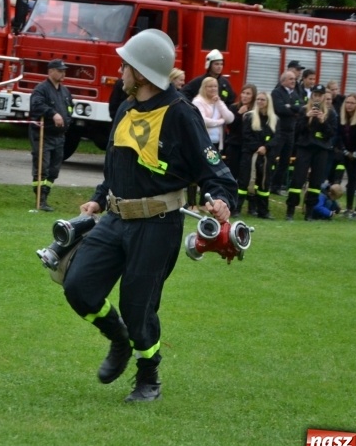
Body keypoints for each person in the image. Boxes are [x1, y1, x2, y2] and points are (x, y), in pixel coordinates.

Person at [62, 29, 237, 403]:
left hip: (158, 225)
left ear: (140, 73)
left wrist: (221, 200)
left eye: (126, 64)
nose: (120, 70)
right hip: (114, 219)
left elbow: (215, 170)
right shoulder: (126, 108)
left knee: (139, 305)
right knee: (78, 286)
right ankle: (118, 338)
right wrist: (97, 199)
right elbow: (116, 164)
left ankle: (148, 376)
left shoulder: (181, 115)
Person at [29, 58, 74, 212]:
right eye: (60, 71)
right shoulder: (41, 89)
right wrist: (53, 113)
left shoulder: (65, 91)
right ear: (50, 71)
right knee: (42, 168)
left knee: (54, 170)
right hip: (43, 135)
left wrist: (67, 120)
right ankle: (40, 199)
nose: (63, 74)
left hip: (59, 136)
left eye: (64, 71)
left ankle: (46, 195)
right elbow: (36, 105)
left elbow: (70, 108)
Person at [285, 84, 334, 220]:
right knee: (297, 180)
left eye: (320, 95)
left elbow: (331, 134)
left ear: (324, 97)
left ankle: (309, 212)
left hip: (321, 150)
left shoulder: (330, 113)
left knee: (316, 182)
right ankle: (290, 211)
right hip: (305, 148)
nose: (317, 98)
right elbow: (298, 130)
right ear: (311, 96)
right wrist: (307, 117)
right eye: (315, 95)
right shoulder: (303, 110)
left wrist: (323, 121)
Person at [236, 91, 278, 219]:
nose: (259, 102)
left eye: (262, 100)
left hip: (266, 157)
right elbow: (246, 135)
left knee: (264, 184)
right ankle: (236, 209)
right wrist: (257, 147)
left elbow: (277, 137)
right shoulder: (249, 117)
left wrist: (266, 147)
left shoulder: (274, 120)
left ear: (268, 103)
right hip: (250, 155)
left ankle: (263, 211)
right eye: (258, 99)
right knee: (243, 183)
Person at [270, 70, 304, 194]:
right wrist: (293, 111)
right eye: (290, 79)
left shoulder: (295, 94)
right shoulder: (277, 93)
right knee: (272, 158)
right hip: (279, 131)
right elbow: (279, 109)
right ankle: (267, 182)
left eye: (294, 79)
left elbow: (302, 108)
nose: (293, 81)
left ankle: (277, 186)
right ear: (283, 80)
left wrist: (290, 107)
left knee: (285, 161)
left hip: (291, 132)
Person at [192, 76, 234, 151]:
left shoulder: (218, 101)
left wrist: (219, 103)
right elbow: (203, 120)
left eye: (215, 86)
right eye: (210, 86)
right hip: (203, 142)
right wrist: (220, 121)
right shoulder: (197, 101)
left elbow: (230, 119)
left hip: (217, 143)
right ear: (204, 88)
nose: (213, 88)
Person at [225, 84, 256, 179]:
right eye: (243, 93)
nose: (245, 96)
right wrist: (239, 114)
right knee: (232, 170)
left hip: (248, 146)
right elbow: (231, 126)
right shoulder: (233, 108)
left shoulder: (255, 110)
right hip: (234, 144)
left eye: (248, 93)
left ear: (253, 96)